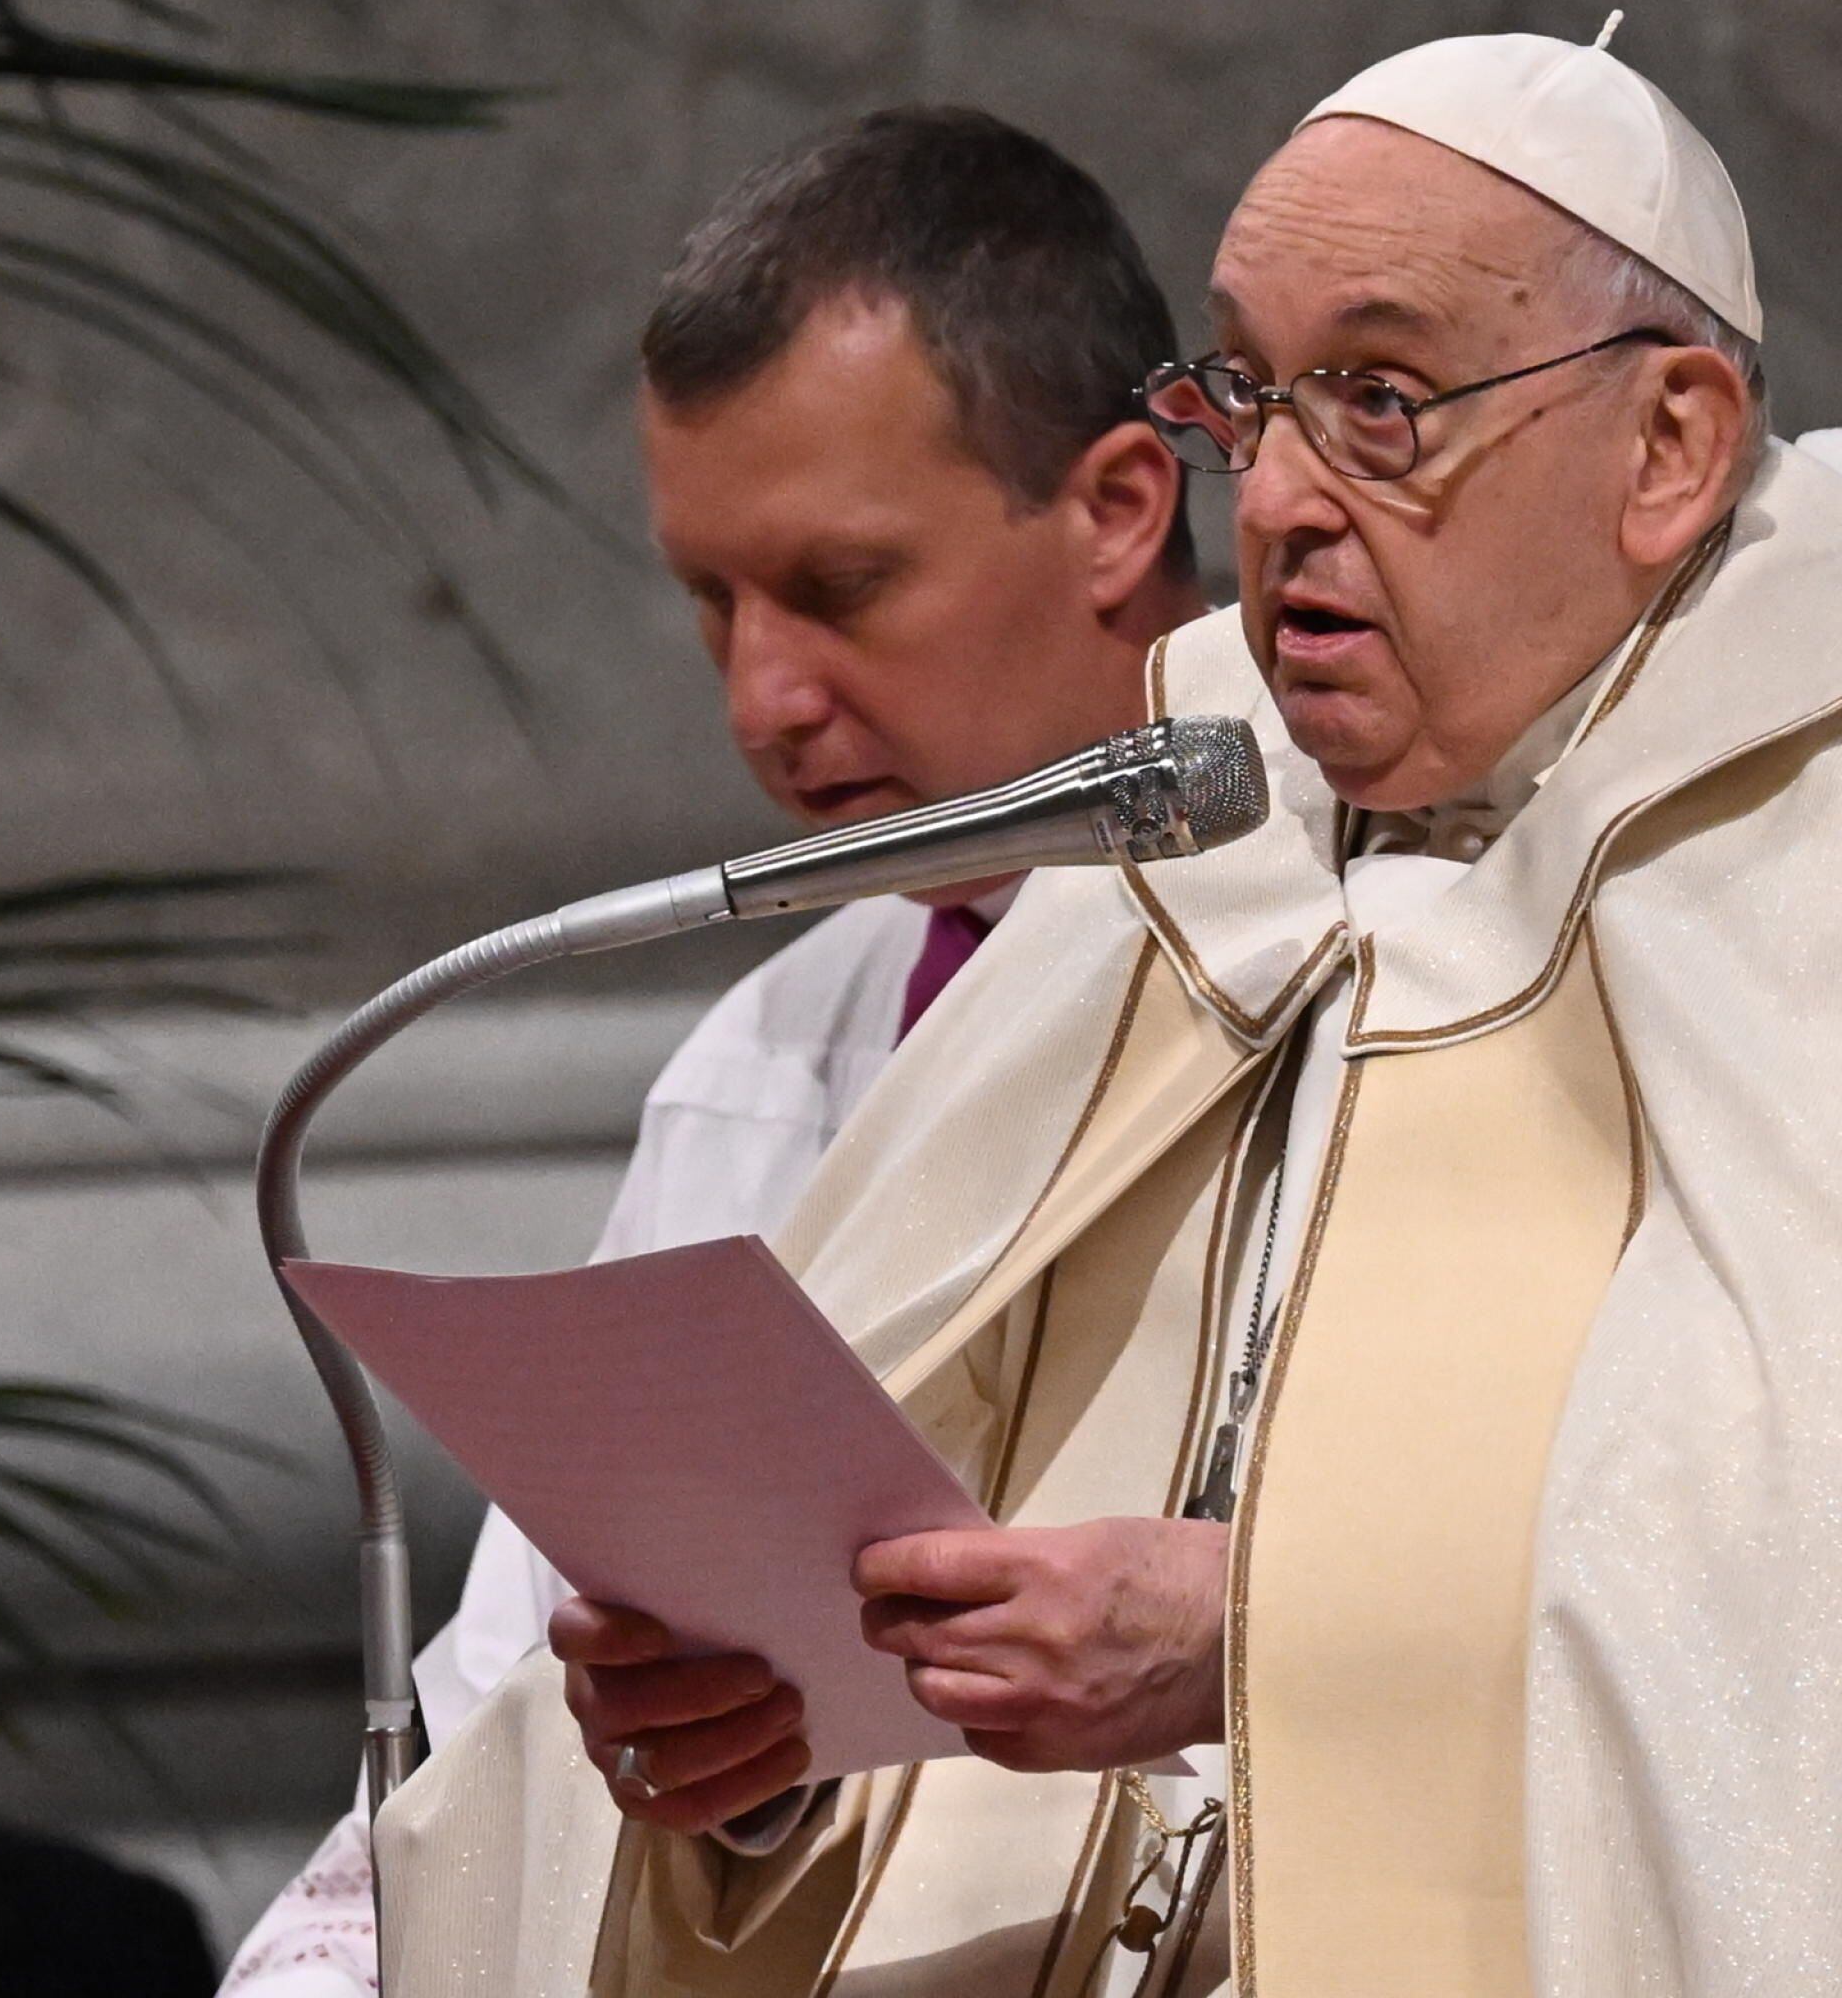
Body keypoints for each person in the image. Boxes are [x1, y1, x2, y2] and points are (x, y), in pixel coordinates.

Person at [400, 26, 1842, 1998]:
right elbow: (934, 1599)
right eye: (1251, 398)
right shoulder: (1203, 830)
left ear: (1670, 444)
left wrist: (1264, 1632)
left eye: (1386, 400)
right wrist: (773, 1763)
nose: (1292, 505)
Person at [216, 104, 1204, 1995]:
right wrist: (715, 1774)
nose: (765, 698)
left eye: (837, 591)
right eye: (710, 601)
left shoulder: (1381, 954)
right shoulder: (781, 1040)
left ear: (1117, 509)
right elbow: (523, 1688)